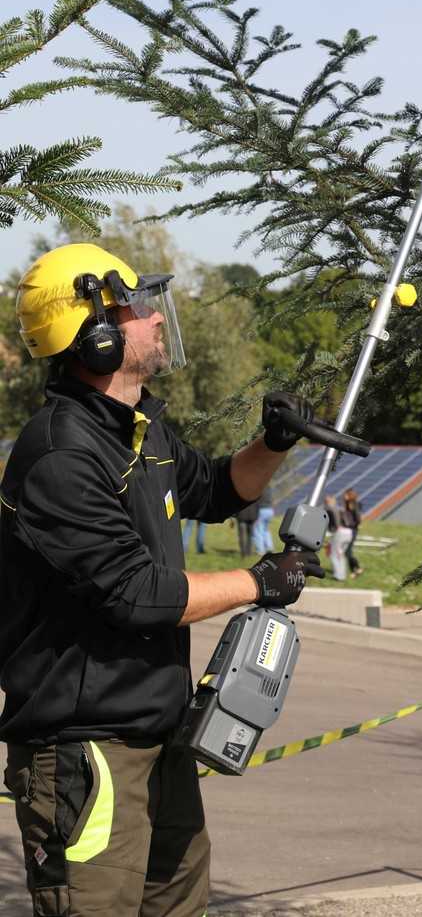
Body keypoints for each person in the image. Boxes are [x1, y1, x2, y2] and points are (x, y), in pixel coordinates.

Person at [0, 243, 324, 917]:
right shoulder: (61, 453)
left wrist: (273, 440)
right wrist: (260, 580)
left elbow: (217, 489)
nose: (154, 318)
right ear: (94, 335)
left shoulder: (142, 430)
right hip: (87, 753)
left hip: (159, 737)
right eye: (137, 306)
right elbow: (137, 593)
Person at [342, 487, 364, 577]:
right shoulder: (348, 504)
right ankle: (354, 570)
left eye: (346, 495)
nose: (343, 496)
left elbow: (358, 518)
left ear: (350, 496)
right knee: (346, 551)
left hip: (352, 530)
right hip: (348, 530)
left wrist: (352, 524)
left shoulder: (354, 505)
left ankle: (357, 568)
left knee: (347, 551)